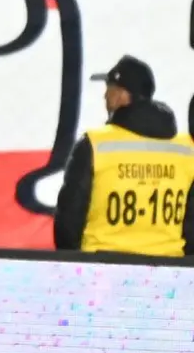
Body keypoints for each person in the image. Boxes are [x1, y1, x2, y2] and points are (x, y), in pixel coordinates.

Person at [54, 55, 194, 257]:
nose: (105, 97)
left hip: (102, 272)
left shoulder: (94, 144)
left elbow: (69, 221)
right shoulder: (186, 149)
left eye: (109, 89)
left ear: (121, 95)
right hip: (168, 271)